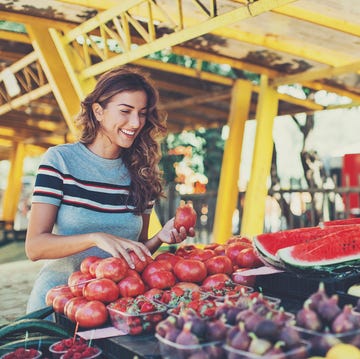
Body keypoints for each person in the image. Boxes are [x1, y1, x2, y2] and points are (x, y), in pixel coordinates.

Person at [25, 66, 195, 313]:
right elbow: (35, 247)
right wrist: (95, 238)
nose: (135, 123)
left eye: (142, 113)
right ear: (98, 111)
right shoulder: (60, 160)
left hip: (115, 311)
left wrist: (160, 237)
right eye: (125, 111)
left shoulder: (142, 173)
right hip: (58, 306)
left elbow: (133, 256)